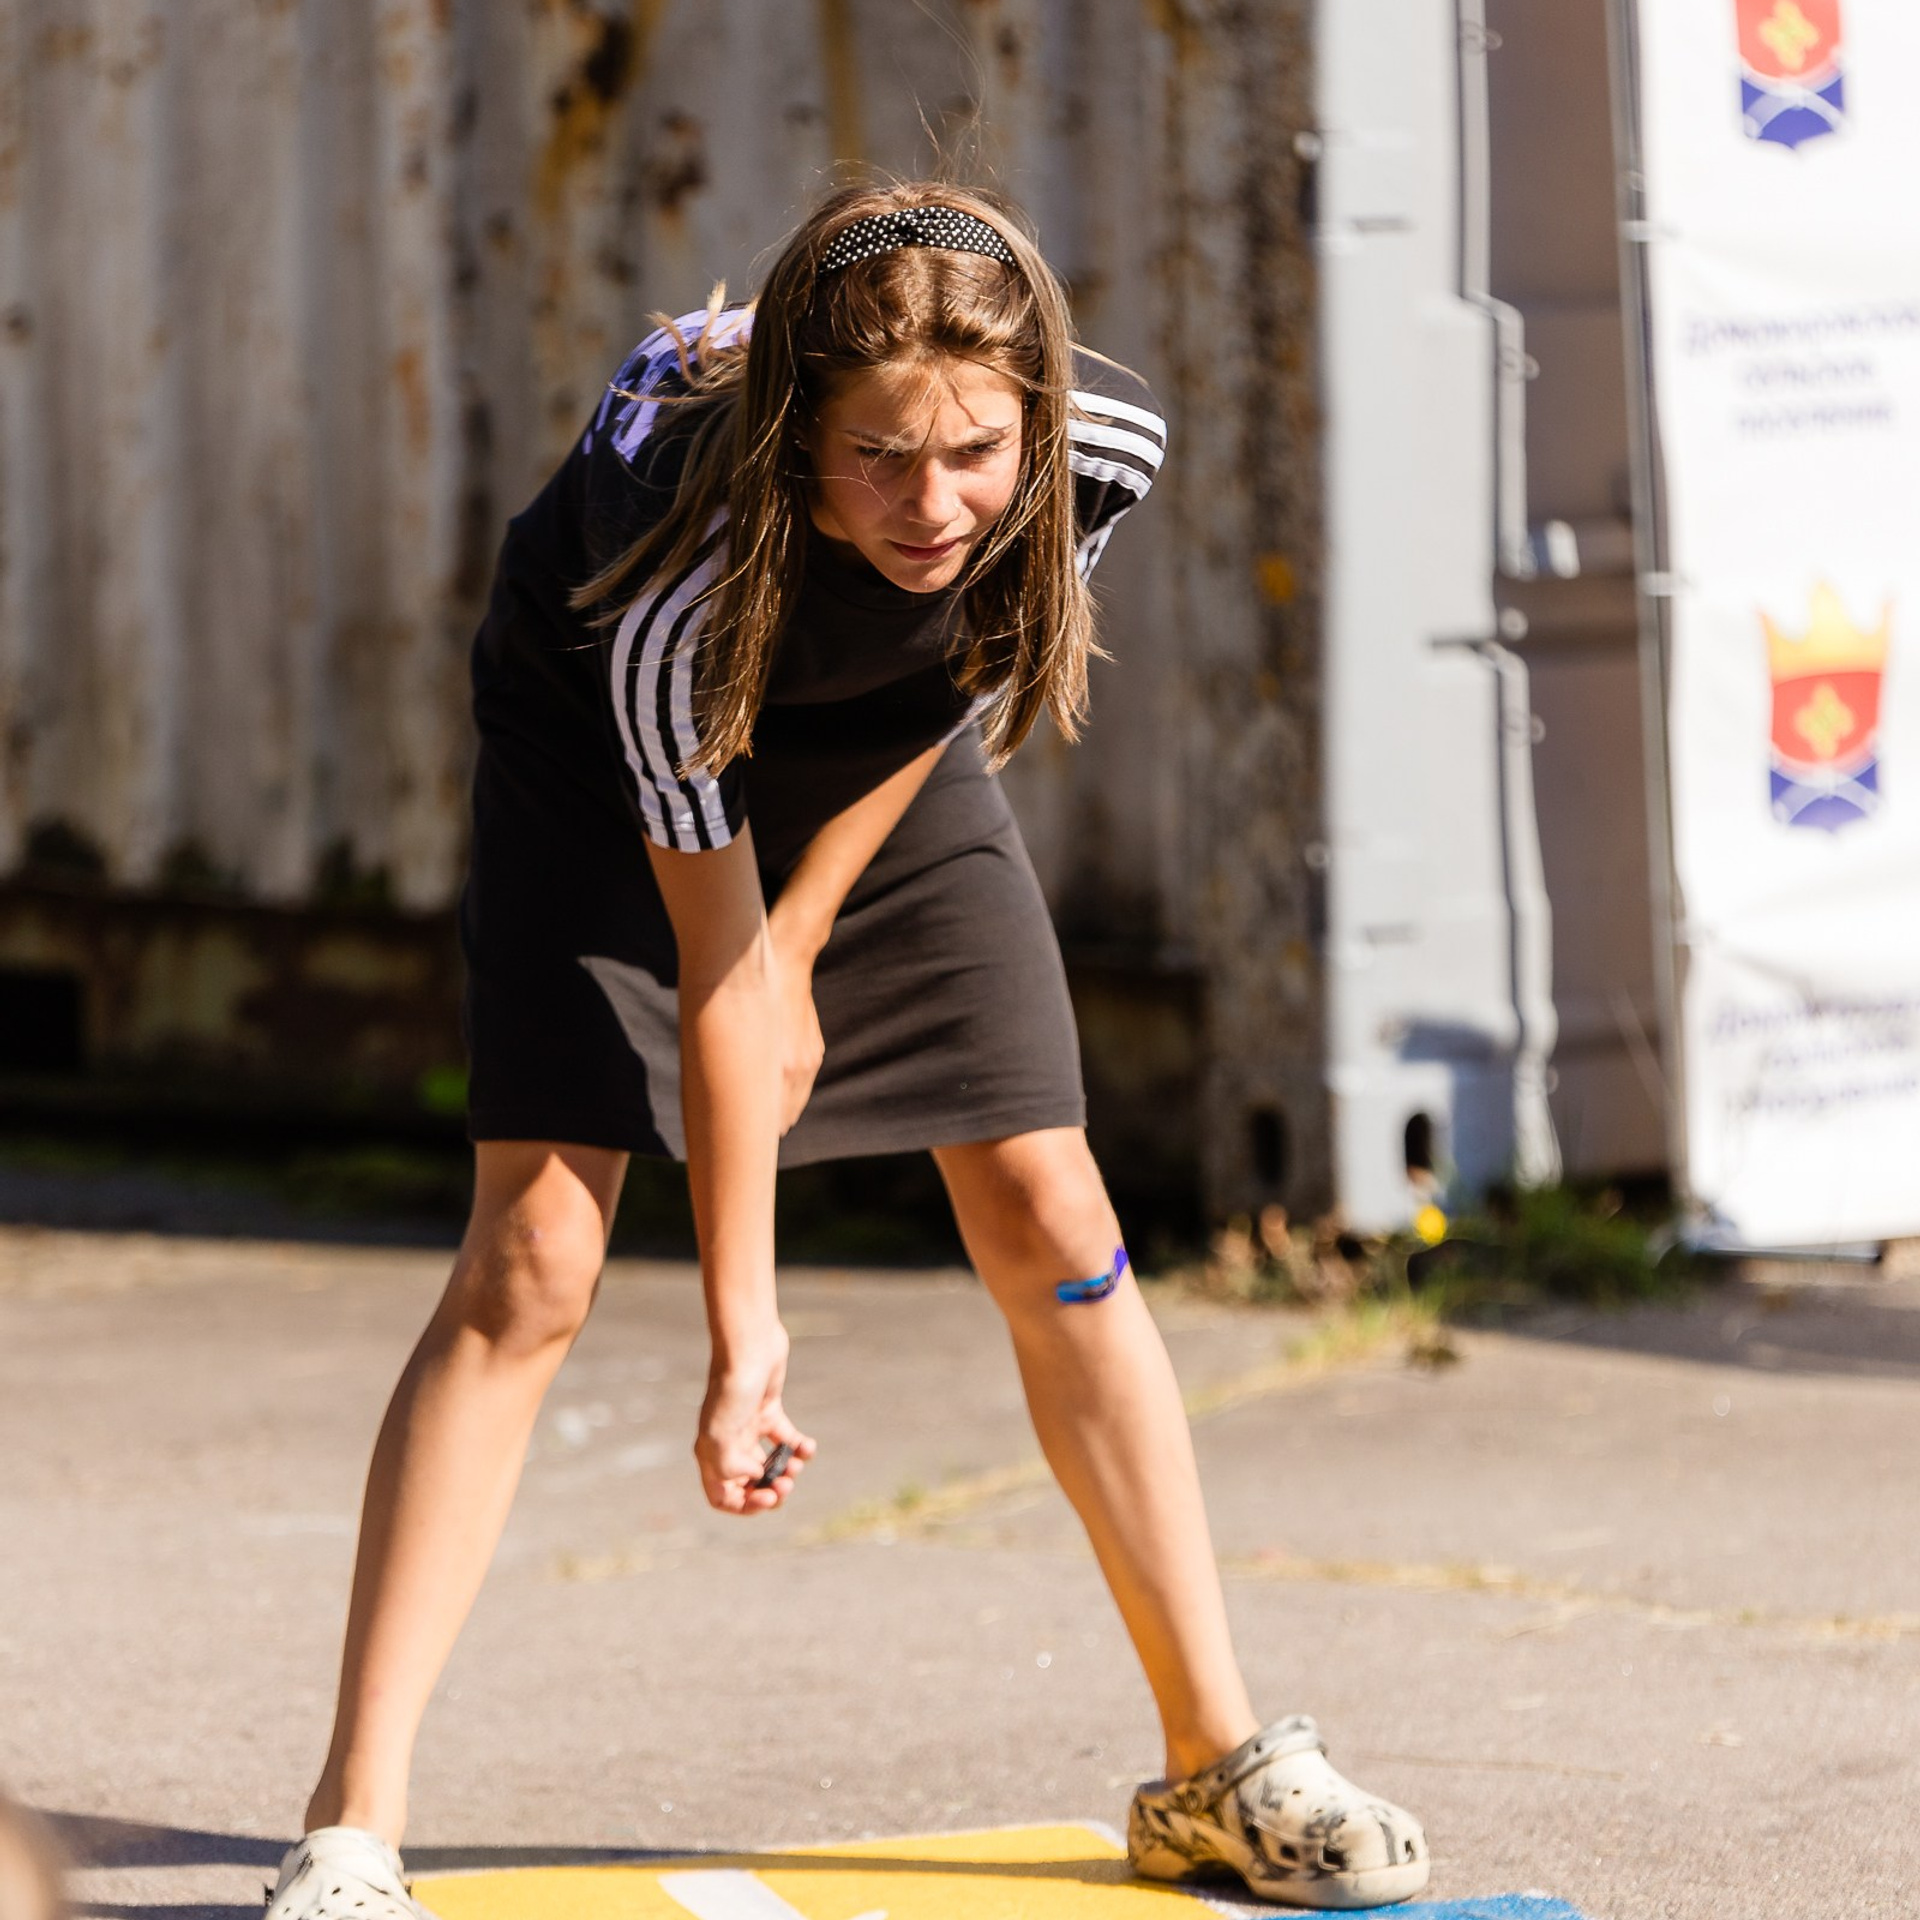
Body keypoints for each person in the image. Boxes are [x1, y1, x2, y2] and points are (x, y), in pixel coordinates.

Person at [261, 182, 1429, 1916]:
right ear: (795, 433)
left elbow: (963, 665)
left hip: (878, 749)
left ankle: (1215, 1769)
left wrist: (816, 921)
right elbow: (724, 983)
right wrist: (747, 1342)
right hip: (611, 759)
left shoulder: (1095, 451)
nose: (936, 503)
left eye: (973, 452)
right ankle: (349, 1834)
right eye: (880, 457)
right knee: (536, 1260)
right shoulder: (673, 573)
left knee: (1052, 1204)